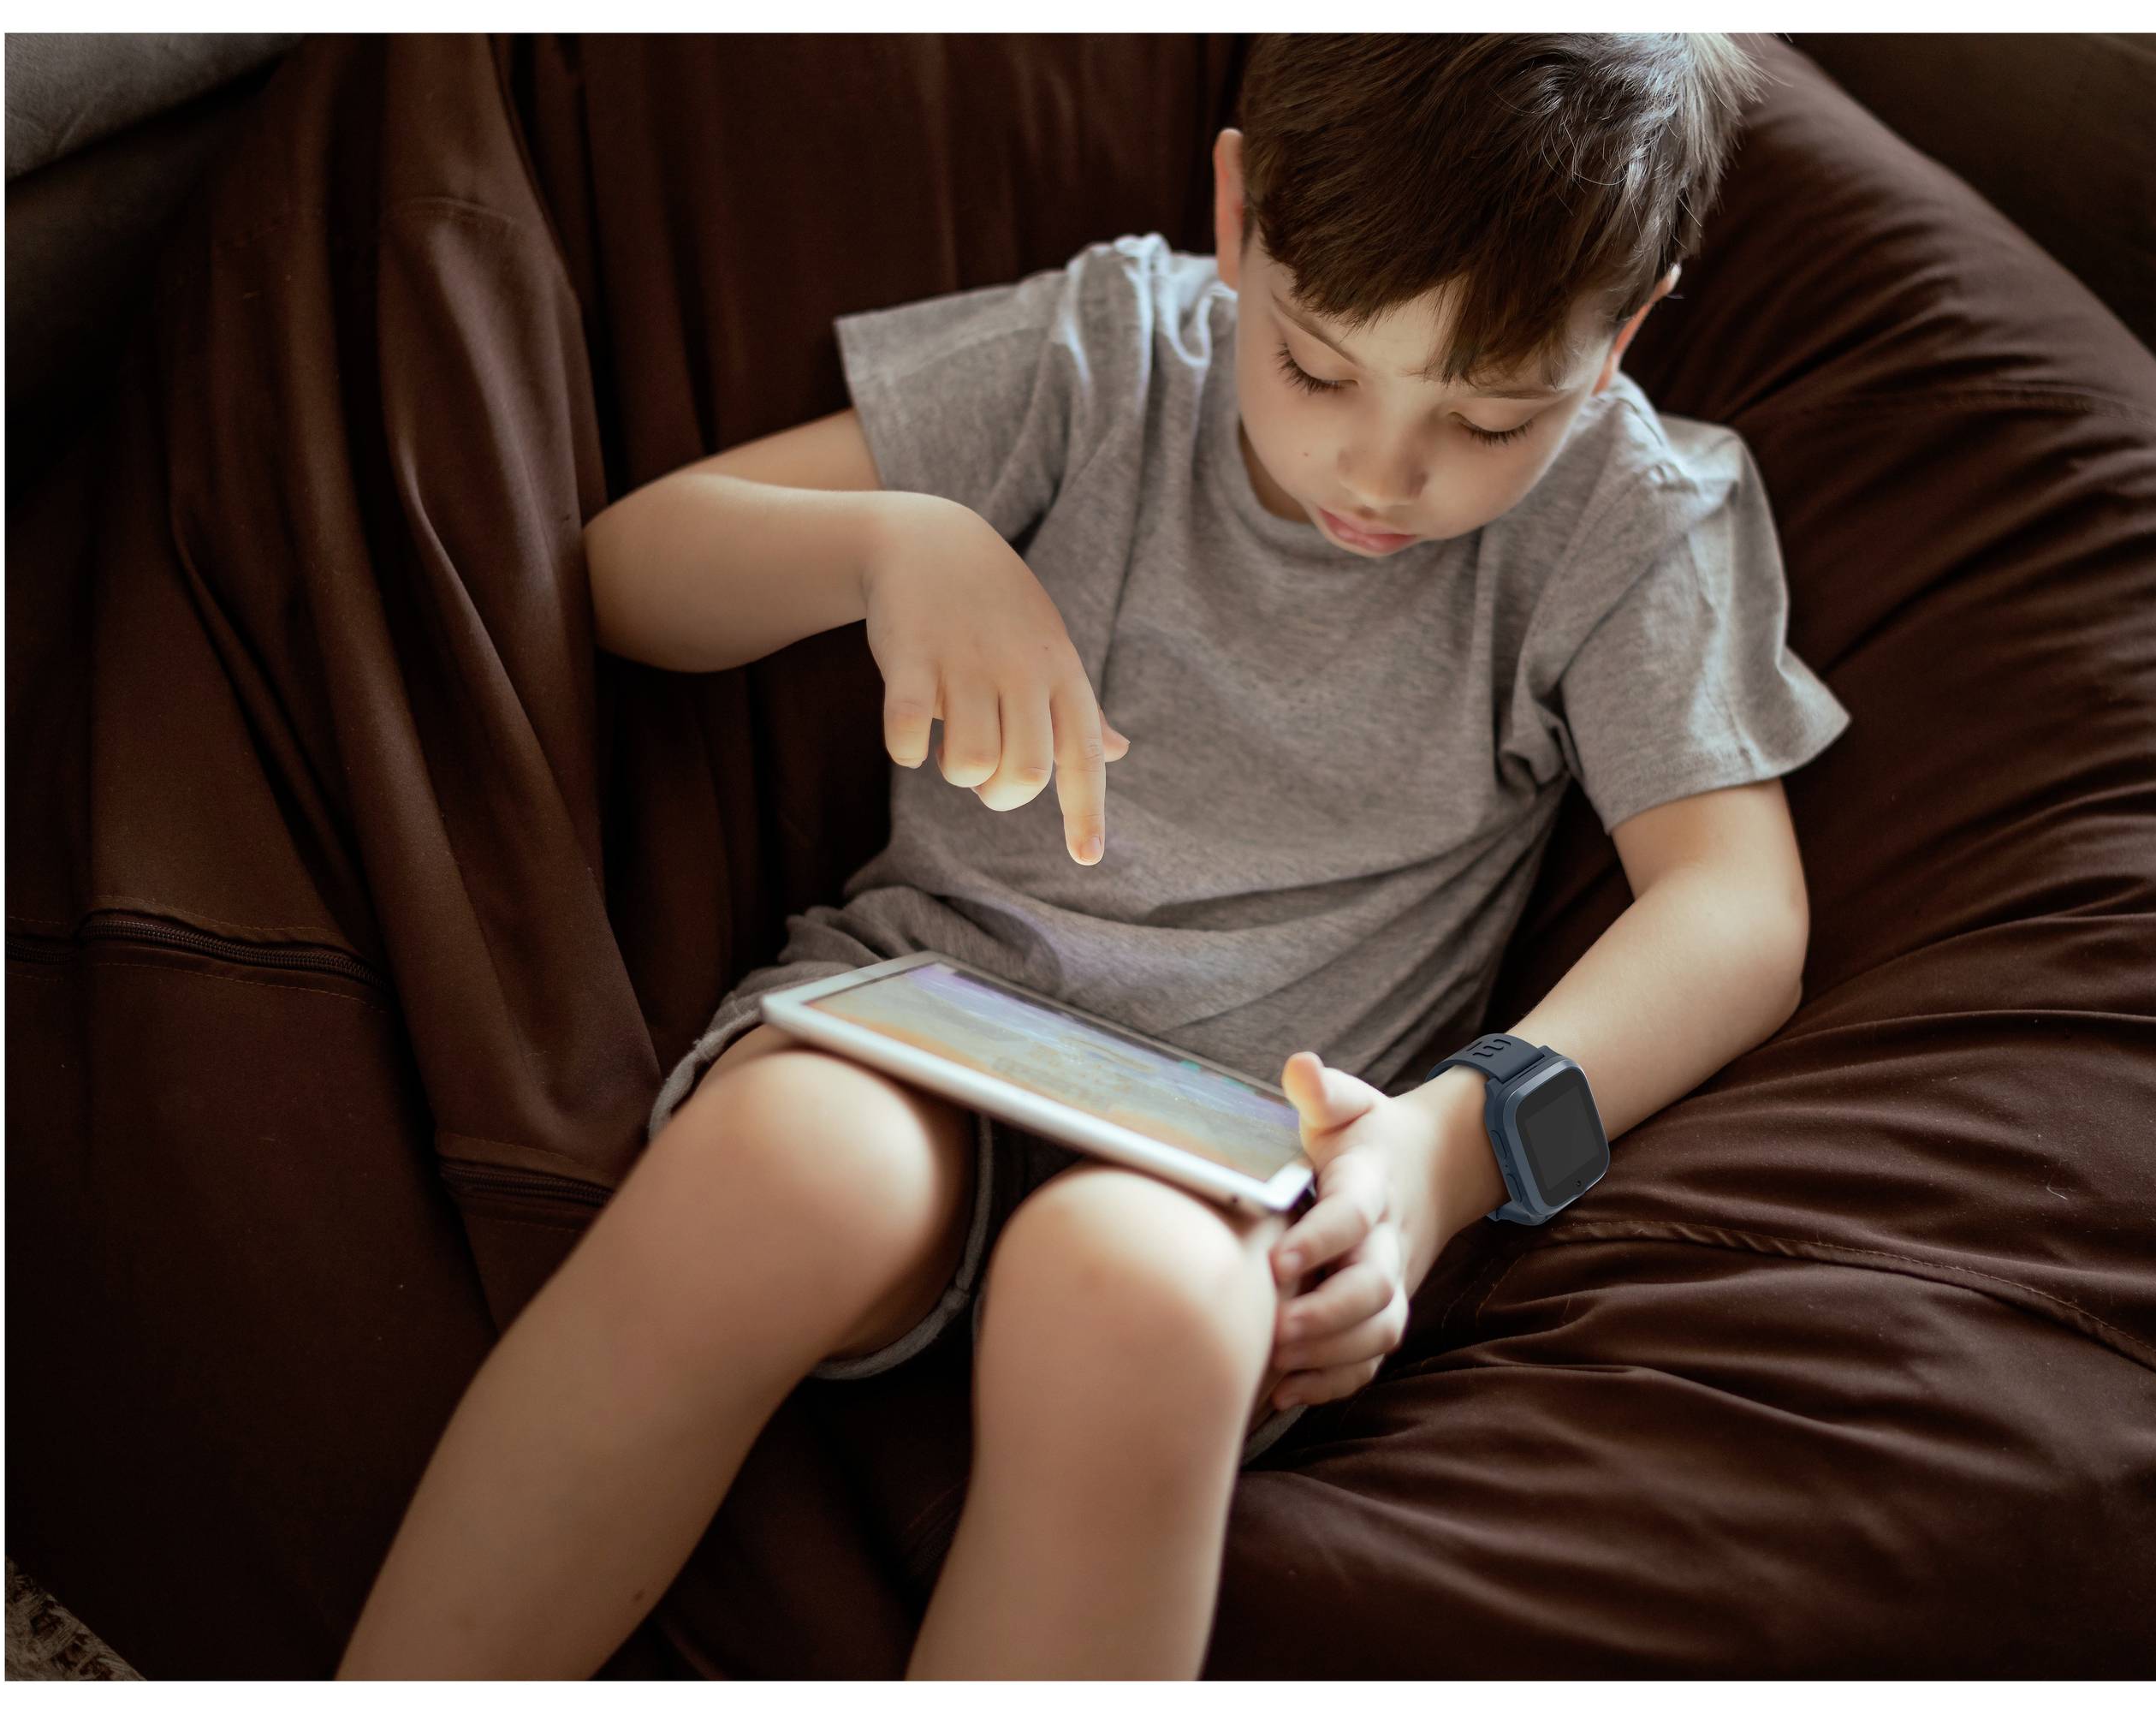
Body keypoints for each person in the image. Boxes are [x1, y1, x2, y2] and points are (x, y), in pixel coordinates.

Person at [337, 32, 1846, 1681]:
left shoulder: (1635, 518)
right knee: (765, 1180)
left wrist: (1444, 1155)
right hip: (924, 1025)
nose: (1383, 469)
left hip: (1226, 1158)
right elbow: (623, 573)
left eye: (1490, 415)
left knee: (1133, 1309)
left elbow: (1737, 910)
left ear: (1624, 330)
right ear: (1236, 211)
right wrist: (895, 539)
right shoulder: (1111, 345)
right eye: (1323, 366)